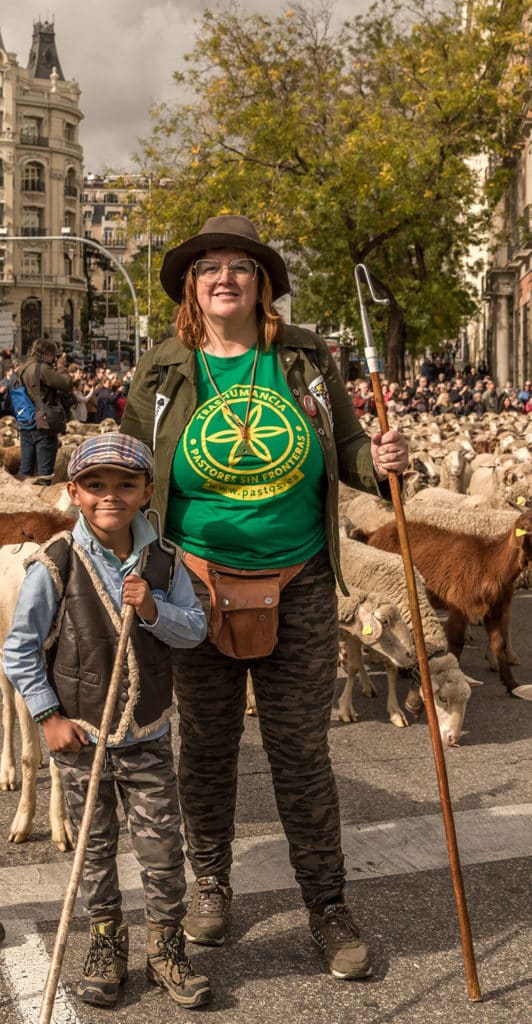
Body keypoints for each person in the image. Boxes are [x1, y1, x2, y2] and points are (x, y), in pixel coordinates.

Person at [120, 214, 409, 982]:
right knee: (205, 752)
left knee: (300, 754)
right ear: (193, 284)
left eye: (240, 267)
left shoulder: (307, 360)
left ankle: (327, 905)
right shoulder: (163, 368)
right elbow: (132, 472)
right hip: (196, 587)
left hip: (302, 581)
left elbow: (347, 448)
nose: (225, 277)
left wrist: (379, 462)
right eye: (209, 267)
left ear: (263, 284)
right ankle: (210, 884)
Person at [2, 433, 211, 1010]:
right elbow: (19, 650)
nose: (109, 496)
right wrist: (47, 717)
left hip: (145, 735)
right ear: (73, 493)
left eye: (125, 484)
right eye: (94, 485)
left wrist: (151, 608)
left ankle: (166, 944)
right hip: (81, 736)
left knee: (163, 848)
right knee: (93, 850)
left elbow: (194, 630)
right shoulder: (55, 562)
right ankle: (105, 942)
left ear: (147, 492)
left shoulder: (165, 561)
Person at [17, 338, 73, 483]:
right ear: (47, 354)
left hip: (27, 422)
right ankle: (40, 502)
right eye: (54, 354)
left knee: (25, 470)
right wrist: (61, 367)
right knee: (44, 474)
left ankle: (21, 500)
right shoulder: (41, 368)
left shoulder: (23, 368)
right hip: (43, 425)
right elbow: (66, 384)